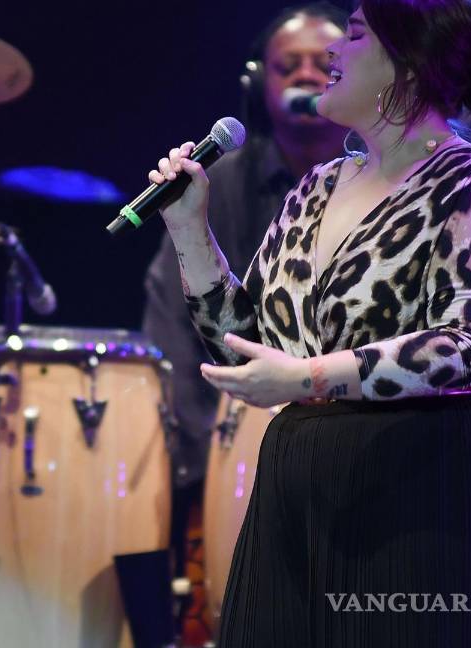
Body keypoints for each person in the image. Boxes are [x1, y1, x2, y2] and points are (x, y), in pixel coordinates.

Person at [148, 0, 471, 644]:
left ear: (406, 61)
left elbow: (470, 345)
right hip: (302, 481)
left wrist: (310, 377)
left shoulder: (465, 182)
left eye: (352, 36)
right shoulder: (321, 185)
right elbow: (250, 347)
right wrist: (189, 228)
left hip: (417, 484)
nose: (331, 54)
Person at [143, 2, 348, 488]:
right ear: (258, 83)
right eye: (288, 65)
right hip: (232, 447)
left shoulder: (379, 185)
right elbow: (172, 323)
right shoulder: (219, 184)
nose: (307, 75)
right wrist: (198, 458)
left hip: (352, 442)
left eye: (325, 64)